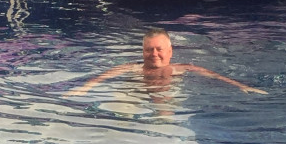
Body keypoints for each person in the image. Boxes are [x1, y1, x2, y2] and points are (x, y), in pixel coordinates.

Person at [65, 28, 268, 97]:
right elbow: (105, 76)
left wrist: (241, 86)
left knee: (164, 114)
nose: (154, 54)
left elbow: (214, 76)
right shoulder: (133, 68)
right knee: (122, 109)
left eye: (159, 49)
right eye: (149, 49)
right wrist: (84, 88)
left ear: (170, 51)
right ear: (142, 52)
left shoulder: (182, 69)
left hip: (166, 93)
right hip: (136, 91)